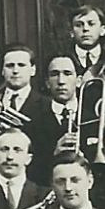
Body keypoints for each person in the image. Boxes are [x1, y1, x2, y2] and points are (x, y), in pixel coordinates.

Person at [26, 54, 80, 182]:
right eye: (54, 74)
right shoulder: (32, 119)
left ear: (79, 81)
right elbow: (30, 171)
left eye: (67, 73)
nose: (61, 81)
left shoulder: (95, 117)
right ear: (47, 83)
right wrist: (54, 155)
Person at [0, 127, 48, 209]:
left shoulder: (45, 195)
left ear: (28, 159)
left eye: (17, 150)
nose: (10, 157)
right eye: (4, 149)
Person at [68, 4, 105, 76]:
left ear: (102, 30)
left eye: (91, 24)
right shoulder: (65, 59)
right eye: (78, 25)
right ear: (71, 32)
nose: (85, 29)